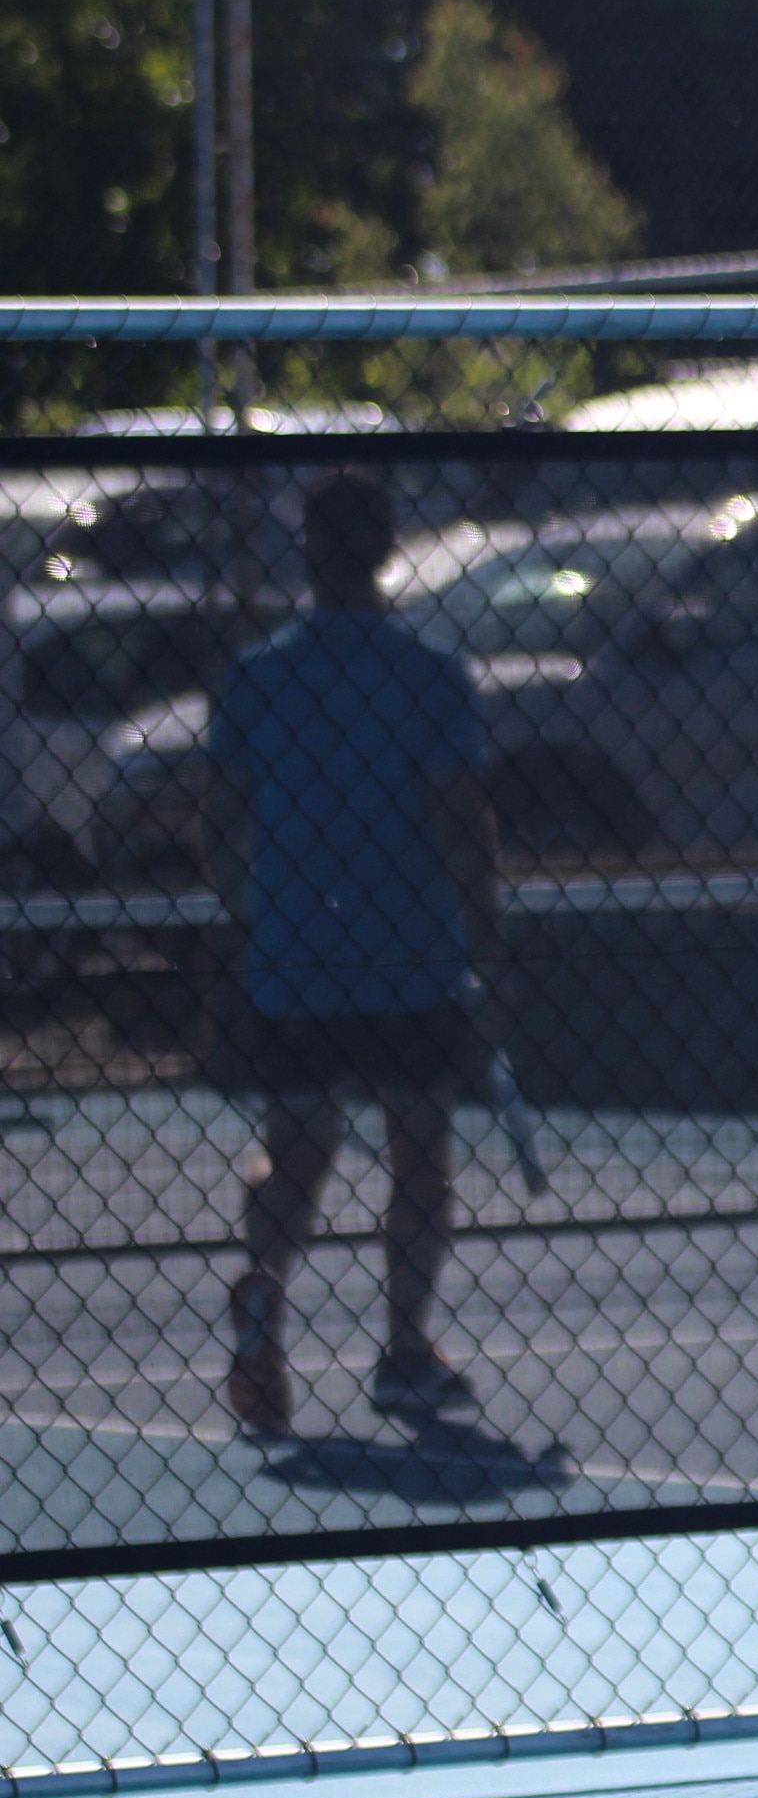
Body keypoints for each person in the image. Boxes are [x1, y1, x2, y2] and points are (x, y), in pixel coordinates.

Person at [211, 470, 503, 1436]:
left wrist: (259, 917)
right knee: (419, 1152)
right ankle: (405, 1349)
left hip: (297, 956)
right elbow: (461, 817)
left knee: (296, 1148)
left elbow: (223, 826)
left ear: (308, 553)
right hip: (409, 959)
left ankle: (264, 1297)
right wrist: (483, 927)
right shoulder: (428, 674)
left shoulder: (257, 678)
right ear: (386, 551)